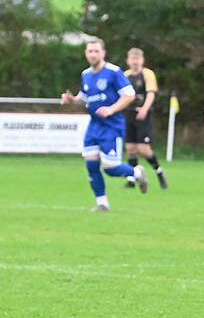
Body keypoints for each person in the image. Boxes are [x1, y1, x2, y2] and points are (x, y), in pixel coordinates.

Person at [61, 39, 148, 211]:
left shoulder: (113, 72)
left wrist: (111, 109)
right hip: (94, 126)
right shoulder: (86, 74)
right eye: (90, 51)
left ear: (103, 53)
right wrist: (72, 100)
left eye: (96, 51)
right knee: (91, 164)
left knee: (111, 168)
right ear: (86, 53)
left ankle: (137, 172)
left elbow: (129, 95)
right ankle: (102, 203)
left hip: (112, 126)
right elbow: (84, 98)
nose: (93, 54)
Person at [122, 47, 168, 190]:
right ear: (128, 61)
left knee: (143, 148)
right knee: (130, 147)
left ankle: (159, 171)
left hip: (143, 114)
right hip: (128, 113)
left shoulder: (147, 74)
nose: (135, 62)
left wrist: (144, 109)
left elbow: (151, 93)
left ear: (142, 60)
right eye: (132, 59)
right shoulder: (125, 75)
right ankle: (131, 179)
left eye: (138, 59)